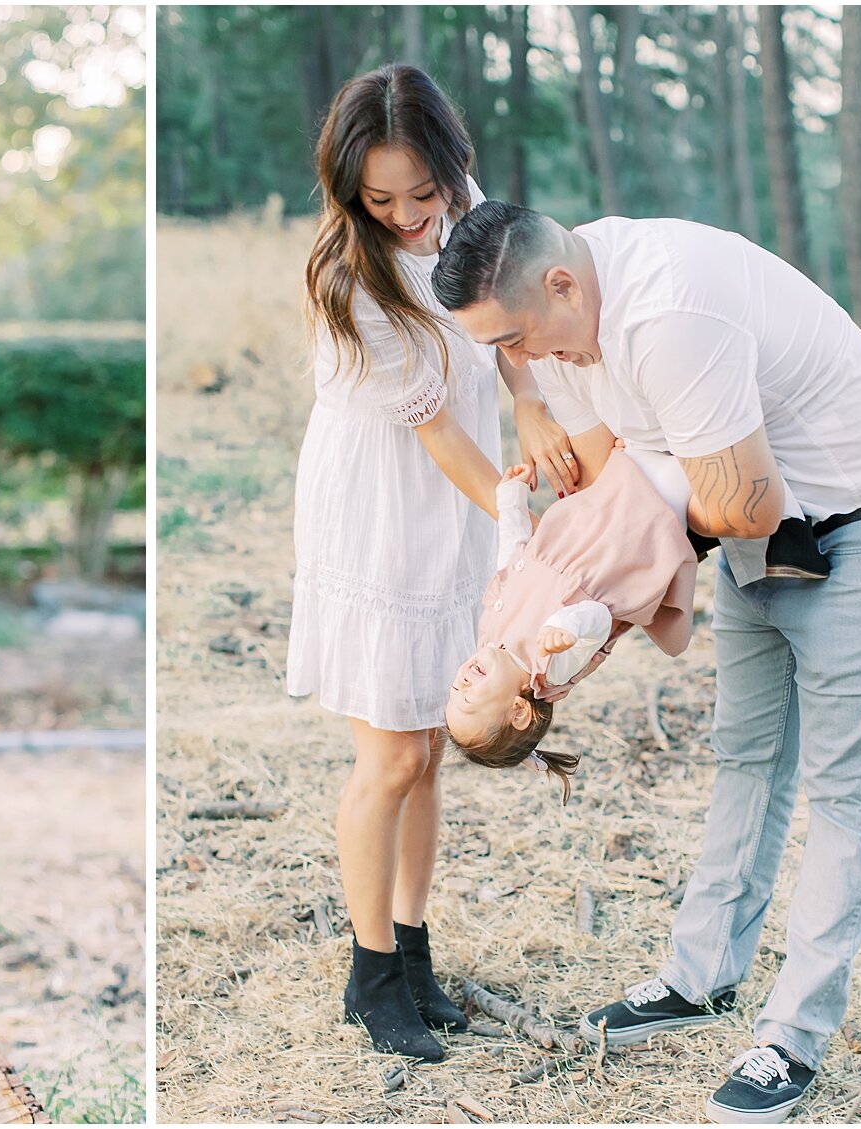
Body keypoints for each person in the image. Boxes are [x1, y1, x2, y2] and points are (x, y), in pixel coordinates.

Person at [433, 200, 861, 1124]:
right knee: (745, 757)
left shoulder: (668, 315)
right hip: (757, 531)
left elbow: (739, 503)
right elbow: (629, 483)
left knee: (844, 789)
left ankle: (792, 1037)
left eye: (521, 337)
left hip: (857, 520)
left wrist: (611, 591)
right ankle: (698, 977)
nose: (526, 362)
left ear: (560, 283)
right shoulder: (568, 330)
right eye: (506, 351)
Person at [287, 64, 578, 1062]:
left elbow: (503, 332)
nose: (411, 218)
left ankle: (412, 949)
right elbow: (437, 439)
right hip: (381, 499)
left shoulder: (475, 210)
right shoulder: (352, 279)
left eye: (424, 192)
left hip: (459, 492)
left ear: (453, 167)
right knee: (393, 754)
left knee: (433, 746)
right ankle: (368, 975)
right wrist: (515, 523)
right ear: (349, 194)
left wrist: (532, 403)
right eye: (382, 201)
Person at [445, 449, 699, 800]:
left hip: (592, 520)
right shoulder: (549, 670)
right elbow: (598, 618)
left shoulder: (493, 637)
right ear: (519, 711)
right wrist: (566, 627)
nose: (462, 683)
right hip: (629, 533)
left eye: (455, 691)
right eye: (469, 700)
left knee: (640, 448)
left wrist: (511, 502)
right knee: (675, 465)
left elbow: (513, 560)